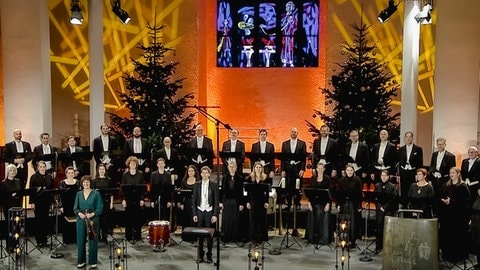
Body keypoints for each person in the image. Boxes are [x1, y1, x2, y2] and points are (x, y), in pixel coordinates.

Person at [438, 167, 470, 263]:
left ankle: (457, 257)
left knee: (456, 236)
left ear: (458, 174)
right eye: (450, 173)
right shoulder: (446, 185)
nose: (451, 174)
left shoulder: (463, 186)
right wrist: (443, 200)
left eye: (453, 173)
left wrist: (451, 201)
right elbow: (440, 195)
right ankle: (446, 255)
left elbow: (466, 203)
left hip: (458, 217)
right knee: (446, 235)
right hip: (447, 216)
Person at [74, 175, 104, 269]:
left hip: (93, 219)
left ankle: (93, 261)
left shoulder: (96, 193)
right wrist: (79, 213)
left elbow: (100, 207)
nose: (86, 184)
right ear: (82, 183)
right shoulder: (78, 194)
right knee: (80, 240)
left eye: (87, 182)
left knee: (93, 240)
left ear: (90, 183)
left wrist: (93, 214)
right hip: (81, 219)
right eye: (84, 182)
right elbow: (75, 208)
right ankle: (81, 261)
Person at [192, 166, 219, 264]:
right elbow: (194, 201)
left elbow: (216, 202)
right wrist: (194, 214)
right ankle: (200, 255)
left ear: (209, 174)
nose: (204, 174)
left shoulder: (214, 185)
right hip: (199, 212)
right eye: (202, 173)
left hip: (209, 212)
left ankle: (209, 255)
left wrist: (215, 215)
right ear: (201, 174)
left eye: (206, 172)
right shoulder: (196, 185)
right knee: (200, 235)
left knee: (209, 236)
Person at [336, 164, 362, 248]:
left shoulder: (357, 180)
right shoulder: (341, 180)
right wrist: (338, 204)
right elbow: (339, 193)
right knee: (344, 222)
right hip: (344, 203)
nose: (349, 172)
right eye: (348, 170)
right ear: (345, 171)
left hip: (353, 204)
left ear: (353, 171)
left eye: (351, 170)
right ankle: (344, 240)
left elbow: (359, 194)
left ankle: (352, 241)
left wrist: (359, 206)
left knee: (352, 222)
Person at [280, 127, 307, 210]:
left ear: (297, 133)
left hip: (298, 169)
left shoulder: (302, 144)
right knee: (288, 187)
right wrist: (283, 170)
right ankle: (288, 204)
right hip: (288, 169)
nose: (293, 133)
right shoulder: (285, 144)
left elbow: (303, 158)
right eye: (292, 132)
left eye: (295, 132)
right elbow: (283, 158)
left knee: (297, 187)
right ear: (290, 133)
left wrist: (302, 169)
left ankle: (297, 204)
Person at [29, 161, 54, 247]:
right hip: (38, 202)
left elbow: (51, 190)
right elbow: (31, 191)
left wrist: (52, 202)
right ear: (38, 167)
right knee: (38, 221)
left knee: (45, 221)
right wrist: (32, 202)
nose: (42, 168)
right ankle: (39, 240)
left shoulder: (49, 176)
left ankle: (44, 240)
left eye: (44, 166)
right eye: (41, 166)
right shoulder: (34, 177)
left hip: (46, 202)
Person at [245, 162, 271, 244]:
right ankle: (253, 238)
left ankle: (261, 237)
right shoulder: (250, 177)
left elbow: (267, 192)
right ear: (254, 168)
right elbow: (247, 192)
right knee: (253, 219)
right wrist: (247, 202)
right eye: (257, 167)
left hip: (262, 201)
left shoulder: (265, 177)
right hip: (253, 201)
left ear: (262, 168)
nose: (258, 169)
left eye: (260, 167)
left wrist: (267, 202)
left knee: (261, 219)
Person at [306, 162, 331, 245]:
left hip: (324, 203)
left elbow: (330, 193)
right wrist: (309, 203)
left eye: (322, 168)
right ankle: (312, 238)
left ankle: (323, 239)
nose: (320, 170)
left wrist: (328, 204)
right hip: (314, 202)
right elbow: (310, 192)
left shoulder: (327, 179)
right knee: (313, 219)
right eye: (318, 168)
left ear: (324, 169)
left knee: (323, 220)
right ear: (316, 169)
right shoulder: (313, 178)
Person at [121, 156, 145, 241]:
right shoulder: (125, 175)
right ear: (128, 164)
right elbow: (122, 188)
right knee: (128, 218)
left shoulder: (140, 174)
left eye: (134, 163)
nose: (133, 165)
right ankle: (128, 236)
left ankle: (138, 236)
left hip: (138, 198)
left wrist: (142, 199)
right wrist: (123, 199)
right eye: (131, 163)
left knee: (138, 218)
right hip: (128, 199)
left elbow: (143, 188)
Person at [220, 160, 244, 244]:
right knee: (227, 219)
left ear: (236, 168)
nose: (232, 168)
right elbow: (222, 191)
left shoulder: (240, 178)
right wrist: (221, 202)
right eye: (230, 166)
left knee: (235, 219)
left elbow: (241, 192)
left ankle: (235, 237)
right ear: (228, 168)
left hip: (236, 201)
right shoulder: (224, 178)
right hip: (226, 201)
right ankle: (227, 236)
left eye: (233, 166)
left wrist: (241, 203)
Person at [374, 170, 398, 253]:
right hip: (379, 210)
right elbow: (376, 198)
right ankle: (378, 246)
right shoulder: (377, 185)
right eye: (382, 176)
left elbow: (393, 199)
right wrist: (380, 207)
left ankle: (387, 246)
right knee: (379, 228)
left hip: (388, 210)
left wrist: (385, 207)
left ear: (388, 177)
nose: (383, 177)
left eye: (385, 176)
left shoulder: (392, 186)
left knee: (388, 228)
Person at [0, 164, 23, 249]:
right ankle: (9, 246)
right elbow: (2, 197)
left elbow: (21, 192)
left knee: (17, 226)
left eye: (14, 170)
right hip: (8, 207)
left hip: (17, 206)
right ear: (7, 172)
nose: (12, 172)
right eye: (10, 170)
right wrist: (11, 195)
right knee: (9, 226)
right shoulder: (3, 183)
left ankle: (16, 245)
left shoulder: (18, 181)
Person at [398, 132, 423, 206]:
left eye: (410, 137)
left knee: (413, 189)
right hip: (403, 172)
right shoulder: (401, 149)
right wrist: (399, 174)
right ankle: (404, 206)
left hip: (413, 172)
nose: (408, 138)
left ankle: (413, 207)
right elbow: (398, 161)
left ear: (412, 138)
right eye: (407, 137)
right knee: (404, 190)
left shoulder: (418, 149)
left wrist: (417, 174)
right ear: (405, 138)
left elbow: (420, 163)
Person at [92, 163, 115, 242]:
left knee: (105, 220)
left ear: (105, 170)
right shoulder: (94, 181)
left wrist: (111, 203)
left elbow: (111, 193)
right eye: (100, 169)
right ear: (98, 170)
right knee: (98, 219)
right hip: (97, 203)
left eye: (103, 169)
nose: (102, 171)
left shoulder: (109, 180)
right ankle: (97, 236)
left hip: (106, 202)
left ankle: (105, 236)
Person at [59, 166, 81, 244]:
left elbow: (80, 194)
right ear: (66, 174)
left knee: (76, 222)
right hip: (66, 205)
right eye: (69, 173)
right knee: (66, 223)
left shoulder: (78, 182)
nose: (71, 174)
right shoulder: (62, 182)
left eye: (72, 173)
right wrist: (61, 206)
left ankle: (76, 239)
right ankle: (67, 240)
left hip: (75, 205)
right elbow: (60, 195)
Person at [179, 165, 199, 231]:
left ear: (195, 172)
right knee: (186, 217)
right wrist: (181, 203)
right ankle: (186, 235)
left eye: (192, 171)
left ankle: (194, 235)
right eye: (189, 171)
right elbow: (182, 193)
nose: (190, 172)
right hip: (186, 202)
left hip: (195, 202)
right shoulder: (184, 180)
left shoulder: (198, 180)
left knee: (193, 217)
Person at [470, 187, 480, 269]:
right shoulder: (477, 198)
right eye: (479, 189)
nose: (479, 191)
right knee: (476, 243)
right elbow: (473, 209)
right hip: (475, 223)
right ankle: (478, 262)